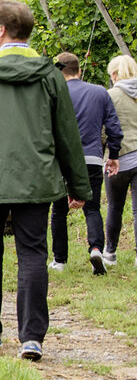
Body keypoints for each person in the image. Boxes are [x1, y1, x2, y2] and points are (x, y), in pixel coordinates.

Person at [0, 0, 90, 361]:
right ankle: (31, 338)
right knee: (32, 253)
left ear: (1, 31)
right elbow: (67, 134)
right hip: (35, 178)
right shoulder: (49, 74)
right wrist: (78, 186)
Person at [48, 52, 122, 275]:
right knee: (92, 208)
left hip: (59, 160)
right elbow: (114, 128)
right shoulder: (100, 92)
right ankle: (96, 249)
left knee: (58, 211)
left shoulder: (52, 93)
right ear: (79, 70)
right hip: (90, 159)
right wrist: (114, 154)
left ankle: (59, 260)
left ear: (59, 72)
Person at [104, 55, 137, 266]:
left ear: (115, 74)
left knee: (114, 206)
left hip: (119, 158)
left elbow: (104, 130)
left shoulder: (111, 95)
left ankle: (110, 252)